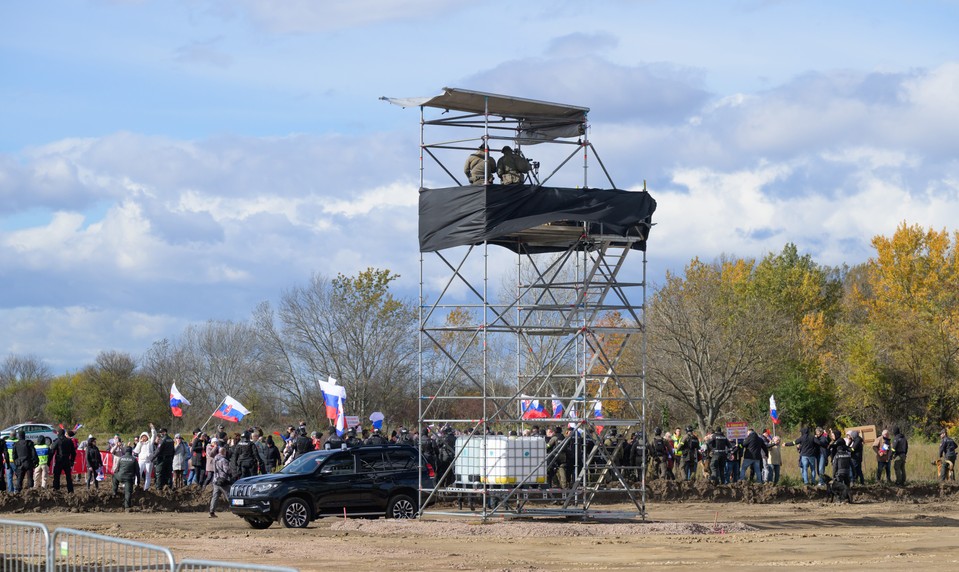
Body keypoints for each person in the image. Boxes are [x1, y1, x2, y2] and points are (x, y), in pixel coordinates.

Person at [209, 446, 232, 518]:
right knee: (229, 495)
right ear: (224, 452)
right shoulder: (224, 460)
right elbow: (226, 470)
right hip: (223, 480)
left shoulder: (215, 459)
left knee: (215, 496)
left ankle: (211, 511)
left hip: (216, 480)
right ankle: (235, 509)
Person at [134, 425, 157, 490]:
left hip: (149, 461)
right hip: (141, 461)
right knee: (139, 474)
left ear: (147, 437)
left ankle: (146, 488)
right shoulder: (140, 443)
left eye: (145, 436)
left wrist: (152, 428)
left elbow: (154, 435)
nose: (144, 438)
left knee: (148, 475)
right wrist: (139, 443)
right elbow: (136, 451)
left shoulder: (150, 442)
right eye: (142, 437)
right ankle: (136, 486)